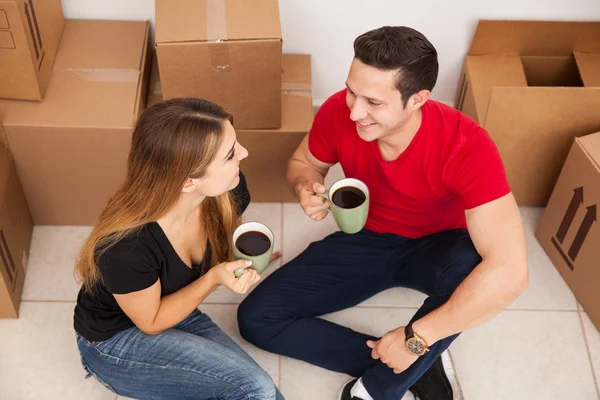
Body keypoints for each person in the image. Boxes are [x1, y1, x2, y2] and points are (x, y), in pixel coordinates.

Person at [238, 26, 528, 400]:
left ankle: (376, 389)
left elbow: (511, 273)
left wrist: (415, 337)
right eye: (351, 92)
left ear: (418, 99)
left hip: (438, 246)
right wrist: (304, 186)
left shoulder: (466, 145)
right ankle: (420, 365)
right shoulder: (336, 112)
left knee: (476, 269)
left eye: (373, 103)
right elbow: (303, 162)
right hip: (366, 238)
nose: (355, 111)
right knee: (256, 319)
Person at [73, 98, 283, 400]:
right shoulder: (126, 247)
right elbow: (152, 322)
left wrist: (247, 258)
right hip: (117, 340)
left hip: (172, 306)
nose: (245, 154)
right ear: (187, 183)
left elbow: (230, 230)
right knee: (254, 389)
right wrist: (213, 278)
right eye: (230, 155)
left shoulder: (227, 190)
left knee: (264, 393)